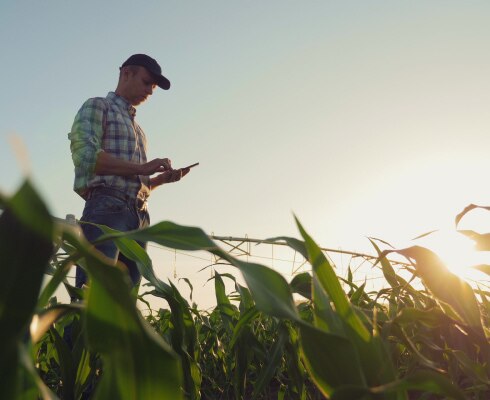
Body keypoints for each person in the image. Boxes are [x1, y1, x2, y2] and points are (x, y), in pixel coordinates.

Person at [68, 53, 190, 291]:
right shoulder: (97, 106)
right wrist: (142, 168)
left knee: (125, 307)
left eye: (154, 86)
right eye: (147, 83)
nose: (151, 92)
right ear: (127, 73)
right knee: (92, 299)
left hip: (139, 216)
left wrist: (158, 180)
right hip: (106, 211)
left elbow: (132, 181)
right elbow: (84, 156)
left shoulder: (139, 130)